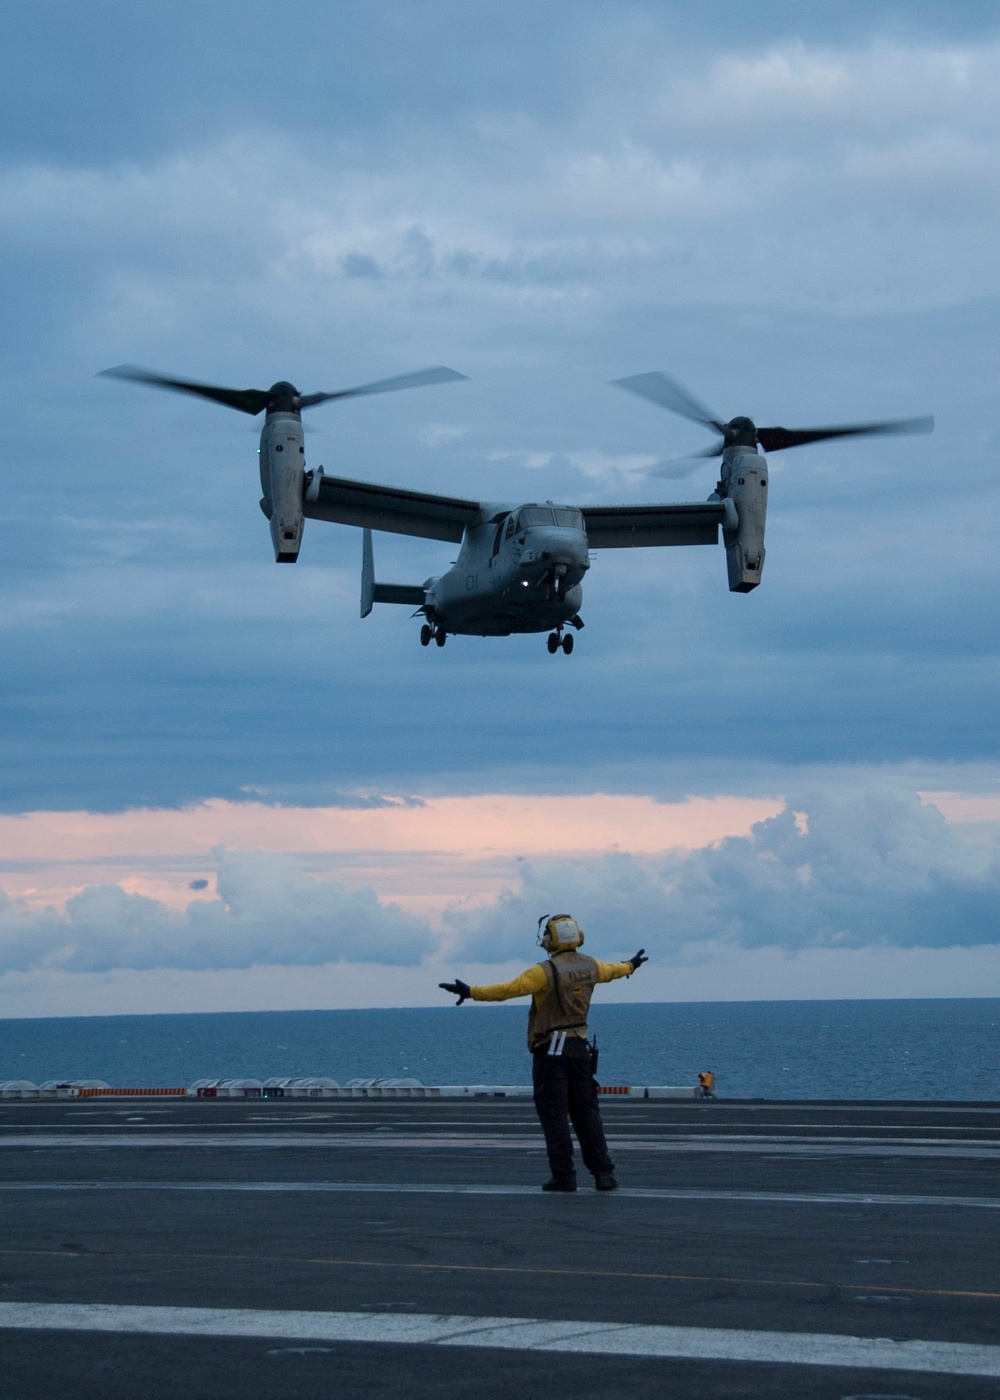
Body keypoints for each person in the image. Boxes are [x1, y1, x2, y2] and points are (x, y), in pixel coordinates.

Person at [439, 914, 647, 1193]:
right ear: (578, 937)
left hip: (551, 1049)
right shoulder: (591, 966)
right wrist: (631, 965)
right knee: (587, 1113)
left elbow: (507, 990)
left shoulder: (543, 971)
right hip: (579, 1047)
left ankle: (564, 1176)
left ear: (552, 939)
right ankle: (603, 1174)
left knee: (554, 1114)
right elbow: (614, 970)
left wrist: (471, 991)